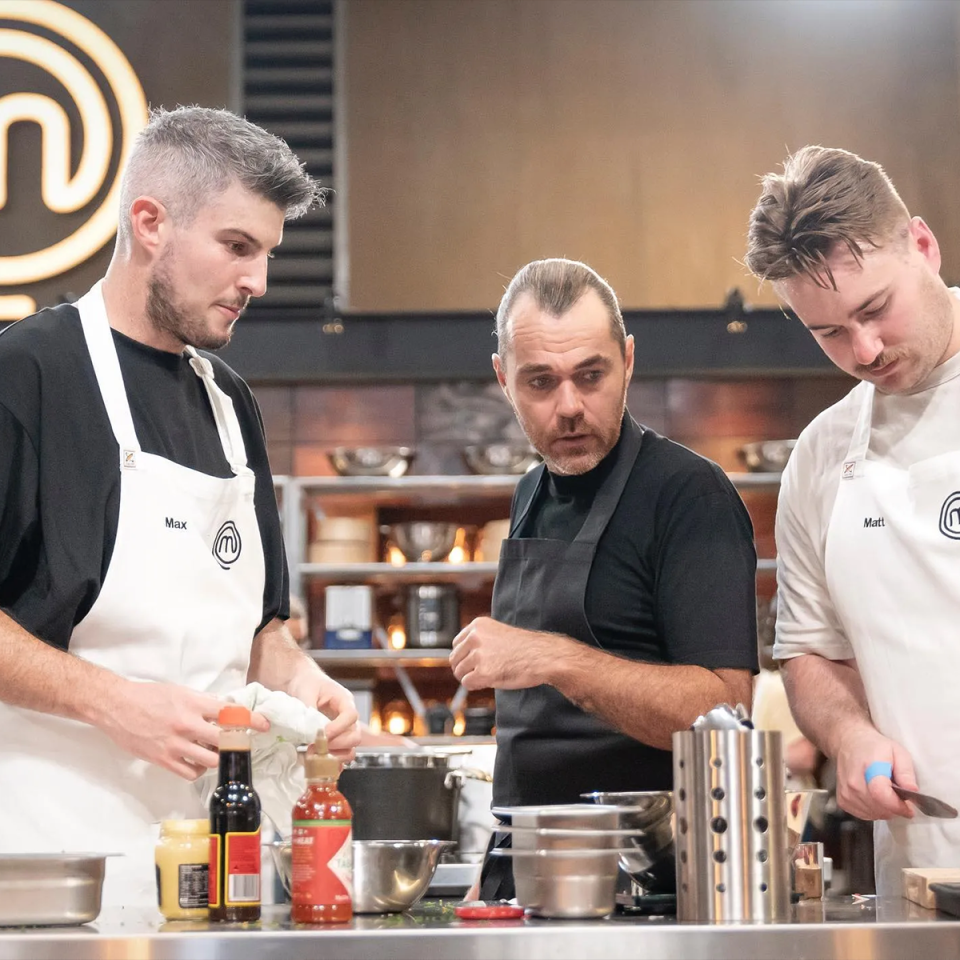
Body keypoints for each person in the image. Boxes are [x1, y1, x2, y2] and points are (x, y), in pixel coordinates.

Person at [0, 106, 360, 908]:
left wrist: (305, 682)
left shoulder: (230, 404)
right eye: (237, 247)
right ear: (150, 222)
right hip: (51, 867)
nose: (258, 282)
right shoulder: (25, 377)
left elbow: (259, 630)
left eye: (266, 254)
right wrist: (115, 702)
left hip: (213, 871)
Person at [449, 258, 760, 899]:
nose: (569, 407)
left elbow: (723, 712)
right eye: (541, 382)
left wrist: (555, 658)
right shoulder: (531, 489)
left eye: (591, 376)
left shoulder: (687, 494)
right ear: (503, 379)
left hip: (641, 883)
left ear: (628, 361)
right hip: (527, 868)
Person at [744, 145, 960, 895]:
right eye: (828, 332)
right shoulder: (822, 456)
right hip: (930, 875)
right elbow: (810, 653)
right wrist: (848, 732)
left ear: (923, 246)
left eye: (874, 310)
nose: (863, 349)